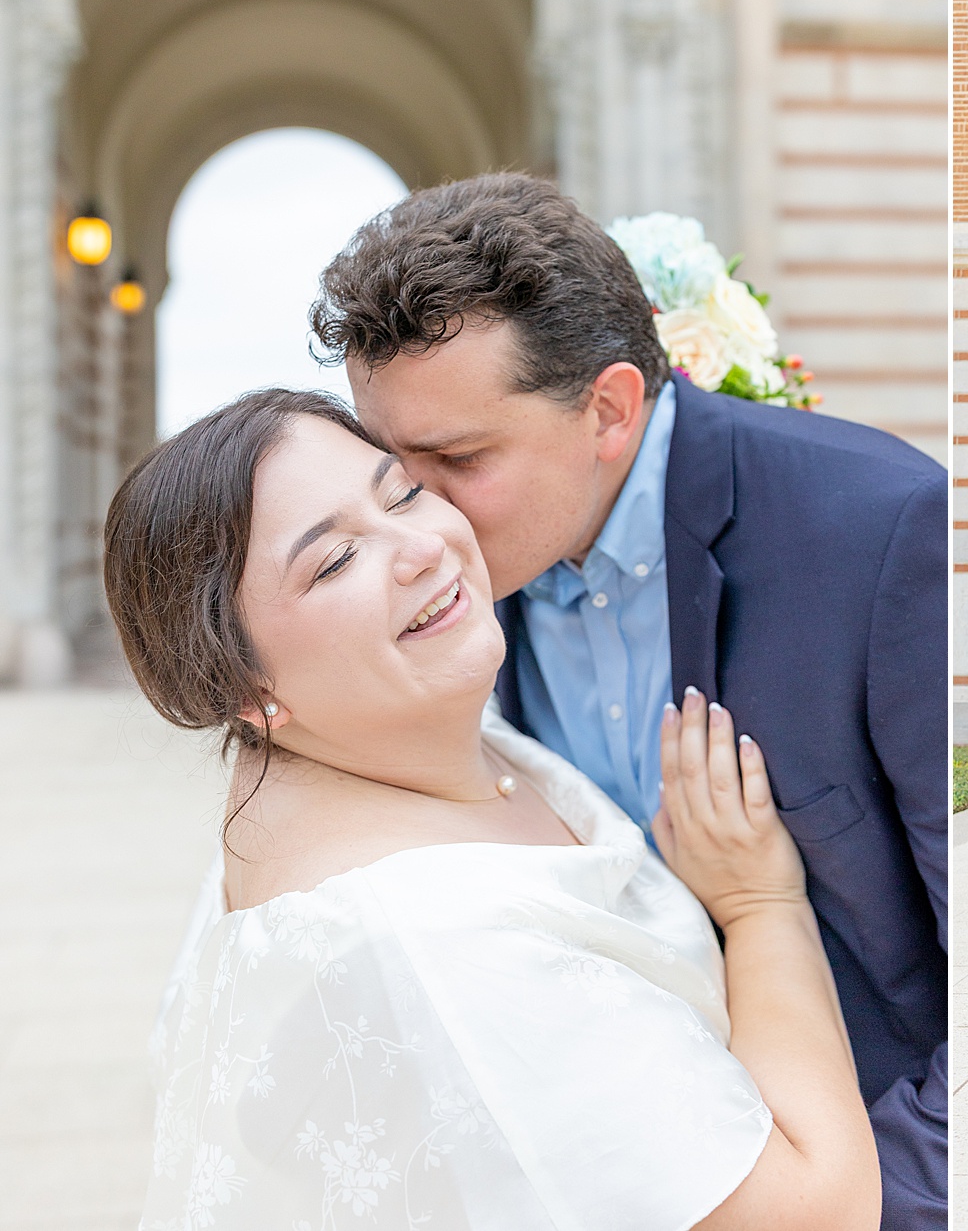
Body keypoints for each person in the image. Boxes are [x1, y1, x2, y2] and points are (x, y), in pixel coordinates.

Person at [309, 173, 946, 1227]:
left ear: (608, 408)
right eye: (392, 464)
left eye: (459, 460)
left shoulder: (879, 531)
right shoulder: (431, 603)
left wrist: (850, 1206)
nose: (417, 523)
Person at [105, 389, 879, 1228]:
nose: (419, 546)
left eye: (400, 491)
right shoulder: (439, 944)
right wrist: (763, 905)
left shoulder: (389, 748)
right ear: (247, 691)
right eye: (333, 561)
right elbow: (817, 1210)